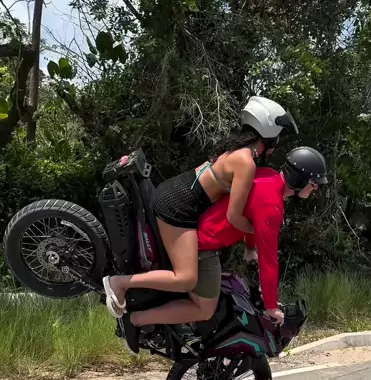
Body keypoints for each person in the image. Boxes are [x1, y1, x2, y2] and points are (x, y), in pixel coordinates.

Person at [102, 97, 298, 317]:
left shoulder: (237, 149)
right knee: (185, 278)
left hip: (178, 194)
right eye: (279, 135)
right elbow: (234, 216)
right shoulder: (246, 162)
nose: (278, 141)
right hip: (178, 207)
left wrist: (251, 245)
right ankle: (119, 283)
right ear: (270, 132)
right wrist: (256, 230)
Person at [122, 147, 327, 349]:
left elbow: (251, 217)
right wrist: (271, 307)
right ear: (299, 179)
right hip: (204, 244)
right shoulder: (271, 207)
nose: (315, 189)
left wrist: (249, 248)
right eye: (313, 184)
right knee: (205, 309)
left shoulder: (267, 176)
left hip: (198, 228)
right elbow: (269, 260)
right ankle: (136, 320)